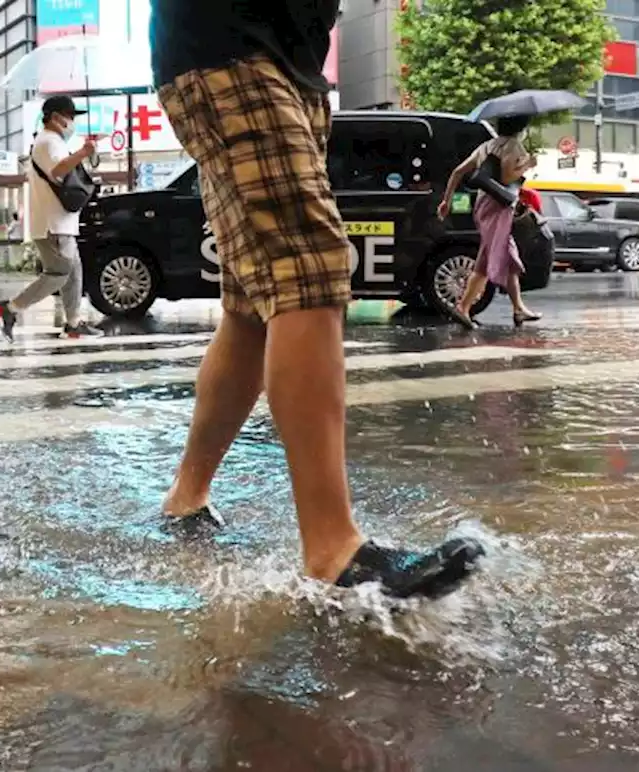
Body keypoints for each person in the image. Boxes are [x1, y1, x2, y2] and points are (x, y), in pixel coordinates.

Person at [150, 0, 482, 597]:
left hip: (283, 59)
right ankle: (332, 548)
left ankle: (187, 496)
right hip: (230, 41)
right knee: (309, 266)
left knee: (253, 304)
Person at [0, 97, 102, 341]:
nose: (72, 122)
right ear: (55, 117)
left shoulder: (53, 142)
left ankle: (73, 323)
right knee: (59, 273)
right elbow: (58, 170)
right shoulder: (48, 141)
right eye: (69, 116)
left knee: (73, 273)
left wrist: (85, 154)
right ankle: (10, 308)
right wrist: (83, 152)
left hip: (61, 221)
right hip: (53, 224)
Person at [437, 115, 541, 329]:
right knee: (492, 255)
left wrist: (446, 201)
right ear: (519, 129)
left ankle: (517, 308)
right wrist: (527, 164)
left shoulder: (486, 146)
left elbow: (458, 172)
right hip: (498, 207)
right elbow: (506, 177)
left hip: (483, 206)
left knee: (505, 257)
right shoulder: (514, 146)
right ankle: (464, 307)